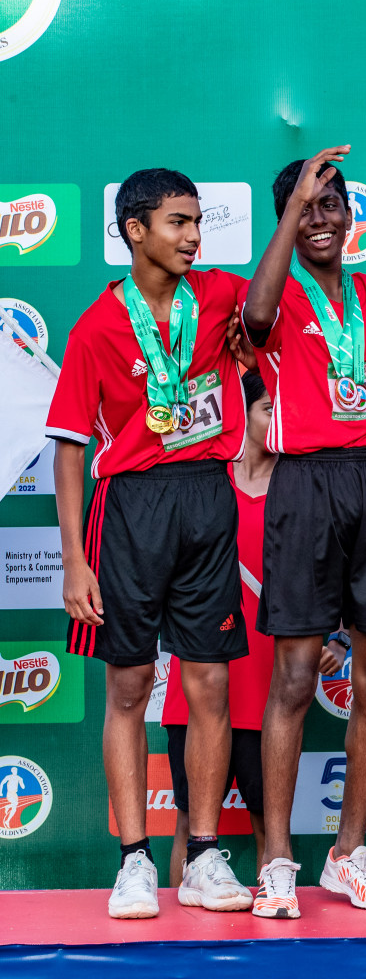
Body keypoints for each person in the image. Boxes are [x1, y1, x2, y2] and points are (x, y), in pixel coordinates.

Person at [46, 168, 250, 918]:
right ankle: (133, 861)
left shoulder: (222, 297)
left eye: (198, 222)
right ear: (135, 230)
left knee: (210, 687)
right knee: (129, 689)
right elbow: (69, 450)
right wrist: (74, 560)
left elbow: (274, 301)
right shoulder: (97, 328)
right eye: (177, 223)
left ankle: (201, 857)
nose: (193, 236)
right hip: (128, 510)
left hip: (206, 496)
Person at [241, 147, 366, 917]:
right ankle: (278, 857)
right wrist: (289, 212)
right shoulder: (276, 292)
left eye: (331, 205)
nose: (321, 219)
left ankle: (347, 852)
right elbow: (255, 317)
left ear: (351, 215)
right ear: (283, 219)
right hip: (305, 487)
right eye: (305, 207)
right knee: (296, 679)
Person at [159, 372, 319, 890]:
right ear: (242, 413)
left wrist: (335, 636)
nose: (278, 419)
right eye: (268, 407)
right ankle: (178, 934)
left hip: (270, 684)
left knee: (269, 826)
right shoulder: (206, 481)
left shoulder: (301, 487)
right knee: (188, 820)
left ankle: (274, 910)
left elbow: (327, 571)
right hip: (202, 677)